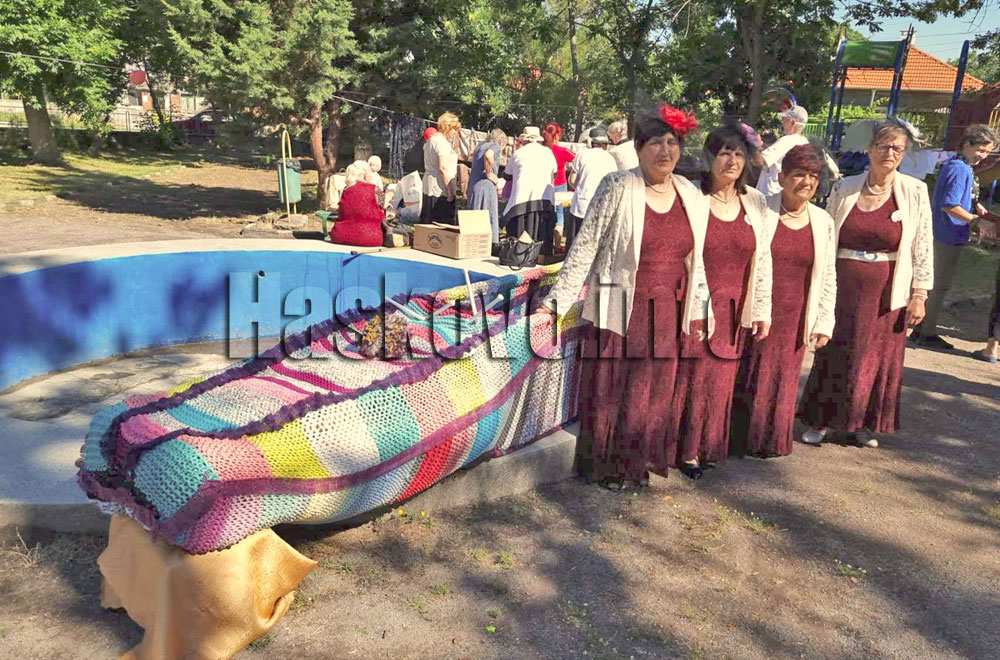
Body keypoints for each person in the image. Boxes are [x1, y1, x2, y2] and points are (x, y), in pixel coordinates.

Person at [544, 103, 705, 489]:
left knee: (655, 388)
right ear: (638, 147)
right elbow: (585, 246)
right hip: (618, 303)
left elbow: (696, 260)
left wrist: (702, 309)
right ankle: (609, 465)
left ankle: (642, 457)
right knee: (616, 388)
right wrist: (556, 303)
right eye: (655, 143)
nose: (665, 151)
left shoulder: (689, 193)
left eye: (672, 143)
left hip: (667, 309)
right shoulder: (617, 185)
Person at [799, 118, 933, 448]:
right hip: (843, 287)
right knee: (835, 350)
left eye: (897, 149)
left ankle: (861, 424)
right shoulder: (844, 188)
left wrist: (919, 293)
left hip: (887, 291)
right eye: (883, 147)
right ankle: (822, 421)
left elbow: (923, 245)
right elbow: (826, 236)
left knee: (874, 356)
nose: (890, 154)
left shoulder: (915, 192)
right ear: (870, 149)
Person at [670, 123, 773, 478]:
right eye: (724, 153)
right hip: (695, 303)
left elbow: (763, 260)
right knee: (693, 377)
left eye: (739, 154)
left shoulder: (755, 201)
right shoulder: (692, 197)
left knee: (720, 380)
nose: (732, 161)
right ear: (710, 157)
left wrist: (761, 309)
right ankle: (683, 450)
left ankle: (708, 445)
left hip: (735, 307)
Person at [731, 144, 837, 457]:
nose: (807, 182)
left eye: (814, 176)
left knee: (783, 377)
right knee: (749, 372)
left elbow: (828, 274)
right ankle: (739, 438)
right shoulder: (761, 210)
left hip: (796, 314)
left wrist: (824, 321)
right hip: (756, 309)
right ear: (782, 176)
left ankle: (771, 439)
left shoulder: (823, 221)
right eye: (799, 174)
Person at [911, 124, 998, 350]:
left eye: (987, 152)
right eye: (980, 150)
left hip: (950, 234)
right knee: (939, 286)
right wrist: (976, 221)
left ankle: (921, 330)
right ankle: (926, 333)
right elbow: (950, 205)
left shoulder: (960, 166)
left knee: (936, 284)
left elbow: (961, 198)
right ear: (967, 144)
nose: (983, 156)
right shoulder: (959, 168)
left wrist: (975, 207)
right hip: (946, 235)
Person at [502, 126, 558, 255]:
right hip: (544, 199)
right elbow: (554, 173)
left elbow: (507, 175)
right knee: (542, 233)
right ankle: (542, 256)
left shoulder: (519, 153)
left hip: (521, 200)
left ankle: (519, 256)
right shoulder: (548, 152)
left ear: (523, 140)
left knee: (519, 234)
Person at [565, 127, 617, 249]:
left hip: (581, 205)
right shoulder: (610, 159)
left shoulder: (582, 154)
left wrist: (580, 187)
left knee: (575, 244)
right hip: (601, 206)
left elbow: (572, 180)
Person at [467, 128, 508, 253]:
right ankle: (489, 246)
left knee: (475, 215)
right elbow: (489, 155)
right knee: (487, 215)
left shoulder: (480, 146)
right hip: (485, 186)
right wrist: (489, 173)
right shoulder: (494, 145)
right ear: (502, 142)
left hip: (474, 185)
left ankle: (472, 244)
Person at [755, 105, 810, 196]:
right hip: (785, 193)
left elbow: (760, 160)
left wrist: (755, 145)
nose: (783, 124)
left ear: (793, 122)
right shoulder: (805, 142)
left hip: (769, 194)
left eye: (785, 120)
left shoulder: (786, 141)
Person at [330, 161, 385, 247]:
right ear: (365, 174)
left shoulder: (346, 190)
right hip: (370, 238)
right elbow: (382, 207)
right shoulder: (375, 189)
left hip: (340, 236)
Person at [422, 113, 460, 223]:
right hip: (439, 187)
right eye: (454, 129)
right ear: (447, 127)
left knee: (429, 219)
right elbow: (442, 168)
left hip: (430, 183)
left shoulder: (432, 139)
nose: (455, 132)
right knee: (440, 222)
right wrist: (451, 192)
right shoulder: (441, 142)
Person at [543, 122, 576, 234]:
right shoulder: (563, 151)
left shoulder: (542, 150)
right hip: (560, 184)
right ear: (557, 135)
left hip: (545, 185)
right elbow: (578, 158)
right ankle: (557, 242)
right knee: (560, 215)